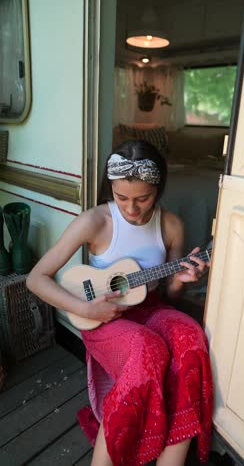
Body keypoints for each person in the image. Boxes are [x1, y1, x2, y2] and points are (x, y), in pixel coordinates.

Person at [26, 139, 213, 466]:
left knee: (190, 338)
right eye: (121, 197)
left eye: (143, 198)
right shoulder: (94, 221)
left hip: (150, 307)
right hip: (100, 317)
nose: (131, 209)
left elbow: (169, 292)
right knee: (146, 349)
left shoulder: (171, 225)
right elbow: (35, 278)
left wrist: (181, 281)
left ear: (159, 188)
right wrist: (85, 308)